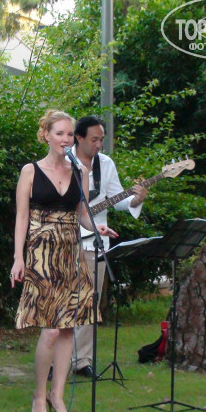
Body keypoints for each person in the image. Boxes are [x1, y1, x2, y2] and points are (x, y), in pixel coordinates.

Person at [11, 110, 118, 412]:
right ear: (46, 135)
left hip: (71, 253)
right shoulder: (30, 171)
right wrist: (18, 258)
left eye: (70, 134)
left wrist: (97, 227)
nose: (66, 139)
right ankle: (39, 395)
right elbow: (21, 217)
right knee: (50, 331)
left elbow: (82, 214)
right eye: (60, 133)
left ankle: (57, 395)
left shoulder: (79, 171)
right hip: (41, 254)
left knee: (69, 328)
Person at [70, 116, 147, 378]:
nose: (99, 144)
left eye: (101, 139)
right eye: (94, 139)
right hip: (64, 241)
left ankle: (81, 361)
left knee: (89, 303)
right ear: (79, 138)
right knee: (62, 302)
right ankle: (55, 362)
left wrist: (136, 199)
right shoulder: (64, 161)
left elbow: (118, 201)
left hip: (95, 243)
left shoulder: (106, 164)